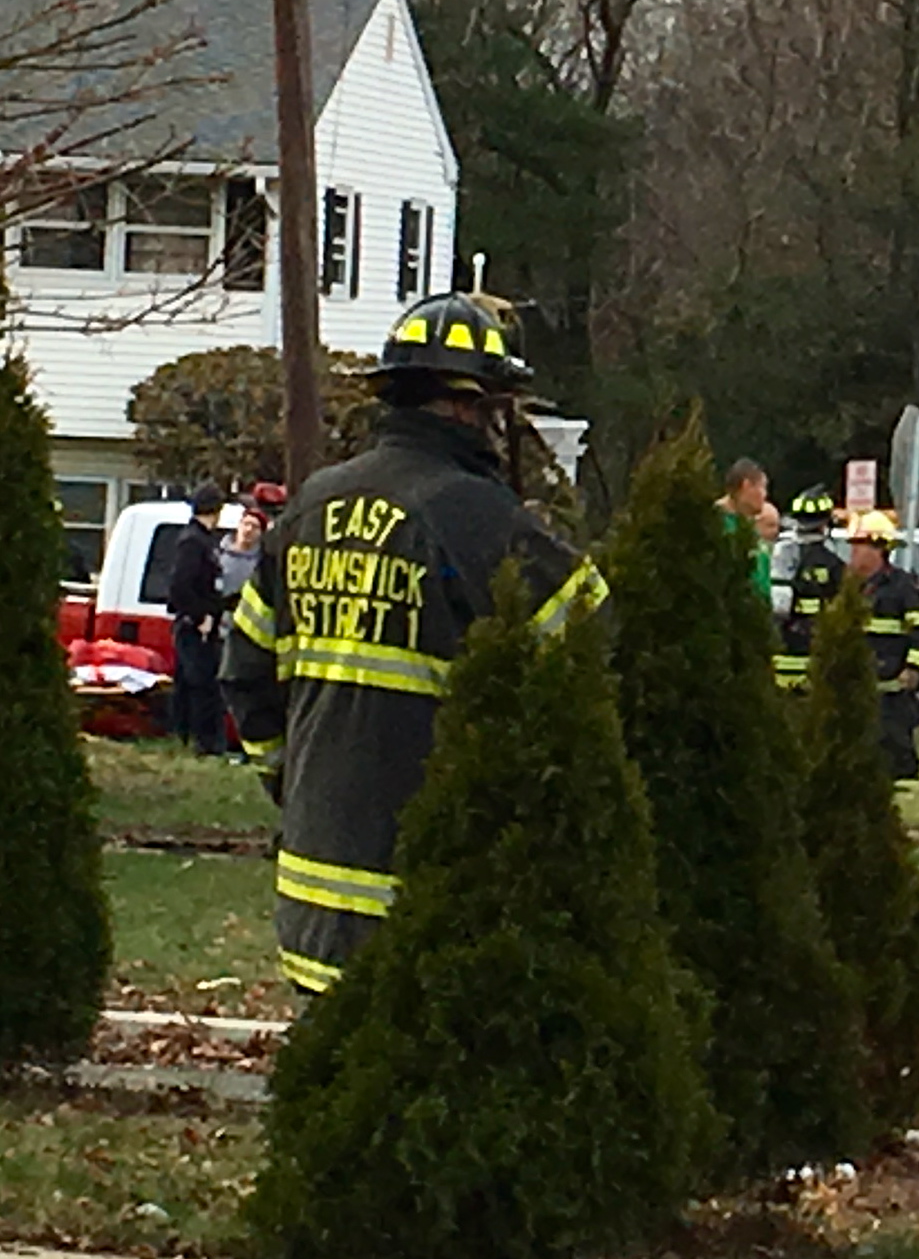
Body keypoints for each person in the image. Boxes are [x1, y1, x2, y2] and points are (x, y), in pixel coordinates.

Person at [219, 291, 603, 994]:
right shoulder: (479, 518)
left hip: (310, 897)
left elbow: (245, 674)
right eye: (498, 410)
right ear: (467, 405)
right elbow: (603, 647)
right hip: (428, 905)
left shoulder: (309, 507)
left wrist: (290, 778)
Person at [840, 511, 919, 780]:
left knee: (896, 752)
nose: (853, 553)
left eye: (859, 546)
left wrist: (913, 668)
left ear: (878, 549)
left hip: (892, 690)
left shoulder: (902, 587)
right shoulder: (849, 588)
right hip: (856, 686)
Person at [164, 483, 230, 758]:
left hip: (204, 621)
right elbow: (180, 585)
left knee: (194, 682)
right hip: (196, 626)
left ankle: (185, 737)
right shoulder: (193, 541)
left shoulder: (202, 539)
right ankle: (205, 743)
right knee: (201, 683)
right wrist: (199, 615)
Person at [770, 488, 844, 691]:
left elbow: (775, 607)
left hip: (780, 656)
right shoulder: (834, 562)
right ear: (825, 524)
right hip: (816, 659)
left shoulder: (779, 554)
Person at [720, 457, 778, 600]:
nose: (765, 495)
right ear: (747, 486)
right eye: (762, 487)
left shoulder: (751, 528)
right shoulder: (718, 526)